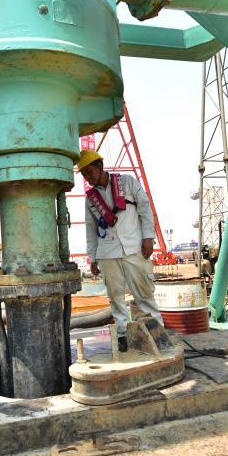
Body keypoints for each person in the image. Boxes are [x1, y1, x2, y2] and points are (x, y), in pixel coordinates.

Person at [78, 149, 165, 351]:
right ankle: (123, 336)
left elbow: (145, 208)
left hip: (135, 247)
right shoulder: (90, 199)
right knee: (116, 298)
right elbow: (91, 229)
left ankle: (158, 334)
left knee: (144, 294)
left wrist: (148, 237)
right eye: (84, 174)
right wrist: (93, 258)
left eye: (89, 172)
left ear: (100, 166)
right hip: (107, 253)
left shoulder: (128, 182)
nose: (88, 177)